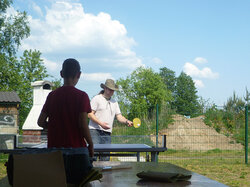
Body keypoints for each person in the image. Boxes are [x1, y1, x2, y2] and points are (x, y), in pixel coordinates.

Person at [37, 58, 94, 157]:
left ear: (61, 74)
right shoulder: (82, 96)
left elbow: (40, 122)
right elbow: (83, 125)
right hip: (76, 151)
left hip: (54, 152)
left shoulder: (52, 96)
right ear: (79, 75)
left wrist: (56, 127)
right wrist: (91, 144)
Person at [88, 79, 133, 160]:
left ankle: (104, 172)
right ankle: (91, 172)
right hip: (94, 131)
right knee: (93, 155)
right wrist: (101, 124)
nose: (111, 91)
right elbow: (90, 114)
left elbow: (119, 117)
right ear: (105, 88)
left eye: (113, 90)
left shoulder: (114, 102)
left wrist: (127, 121)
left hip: (107, 133)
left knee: (105, 158)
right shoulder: (97, 98)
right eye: (110, 89)